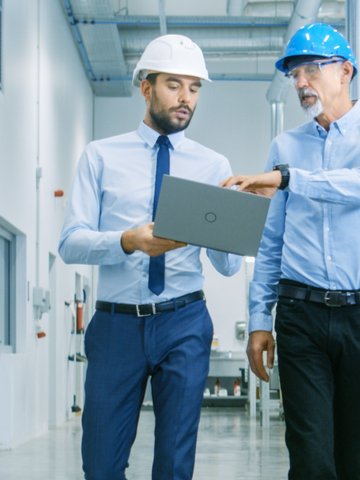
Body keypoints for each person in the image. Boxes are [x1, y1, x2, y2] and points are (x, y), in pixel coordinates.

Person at [220, 22, 360, 480]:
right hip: (301, 315)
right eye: (294, 74)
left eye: (311, 70)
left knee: (355, 459)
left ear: (345, 71)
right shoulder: (286, 146)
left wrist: (289, 178)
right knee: (309, 457)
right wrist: (259, 321)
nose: (301, 83)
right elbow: (271, 242)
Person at [58, 34, 240, 480]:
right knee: (100, 465)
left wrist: (227, 219)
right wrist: (128, 241)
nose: (186, 99)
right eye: (174, 85)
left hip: (184, 321)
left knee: (175, 465)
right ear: (146, 87)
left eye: (194, 88)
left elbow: (229, 266)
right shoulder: (101, 156)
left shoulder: (213, 166)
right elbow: (70, 243)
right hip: (117, 325)